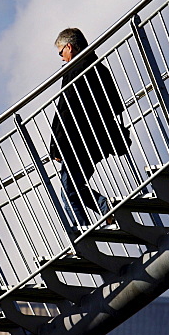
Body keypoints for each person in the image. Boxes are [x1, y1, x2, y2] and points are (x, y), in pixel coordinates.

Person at [50, 27, 129, 231]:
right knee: (73, 188)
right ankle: (105, 211)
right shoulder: (99, 68)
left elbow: (65, 111)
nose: (61, 58)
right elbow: (115, 105)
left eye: (61, 52)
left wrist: (56, 146)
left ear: (69, 47)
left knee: (69, 190)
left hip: (78, 142)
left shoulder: (74, 71)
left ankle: (84, 231)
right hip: (96, 141)